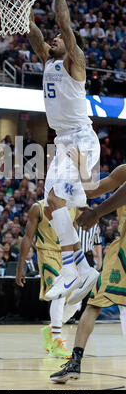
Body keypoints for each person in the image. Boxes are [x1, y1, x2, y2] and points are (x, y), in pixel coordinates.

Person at [26, 0, 100, 301]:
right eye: (53, 39)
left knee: (58, 201)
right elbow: (36, 36)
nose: (54, 39)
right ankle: (82, 267)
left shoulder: (74, 59)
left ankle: (71, 270)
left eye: (59, 38)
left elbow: (64, 24)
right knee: (52, 205)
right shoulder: (47, 60)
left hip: (80, 141)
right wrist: (22, 8)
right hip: (62, 142)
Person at [49, 164, 126, 382]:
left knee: (95, 305)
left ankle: (74, 362)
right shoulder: (122, 171)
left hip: (123, 250)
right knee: (95, 303)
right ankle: (74, 362)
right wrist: (65, 183)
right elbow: (92, 190)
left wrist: (97, 212)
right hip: (120, 249)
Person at [16, 199, 79, 358]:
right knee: (59, 294)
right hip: (47, 253)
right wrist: (20, 267)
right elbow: (27, 238)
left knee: (77, 301)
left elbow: (74, 235)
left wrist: (80, 260)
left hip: (67, 254)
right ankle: (57, 340)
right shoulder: (38, 208)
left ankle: (50, 329)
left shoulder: (73, 206)